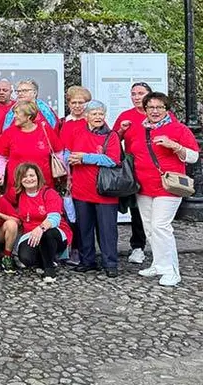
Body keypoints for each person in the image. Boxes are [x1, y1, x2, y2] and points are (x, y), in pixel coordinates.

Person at [127, 91, 199, 287]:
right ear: (145, 109)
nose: (155, 111)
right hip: (144, 187)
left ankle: (171, 270)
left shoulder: (178, 129)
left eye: (160, 107)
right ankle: (159, 264)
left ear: (166, 109)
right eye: (151, 107)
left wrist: (174, 146)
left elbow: (193, 156)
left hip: (168, 186)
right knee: (150, 228)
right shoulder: (138, 130)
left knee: (161, 226)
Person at [64, 100, 122, 277]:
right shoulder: (77, 132)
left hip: (104, 192)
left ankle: (110, 263)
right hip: (81, 189)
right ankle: (87, 260)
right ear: (87, 116)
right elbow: (67, 152)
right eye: (94, 114)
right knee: (83, 228)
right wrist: (70, 159)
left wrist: (85, 158)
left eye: (101, 114)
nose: (98, 117)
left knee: (107, 230)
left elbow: (113, 160)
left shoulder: (111, 136)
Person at [112, 81, 153, 265]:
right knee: (135, 208)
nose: (137, 97)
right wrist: (121, 129)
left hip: (154, 169)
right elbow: (112, 140)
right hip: (132, 169)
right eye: (134, 94)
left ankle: (153, 245)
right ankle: (137, 246)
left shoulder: (159, 114)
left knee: (152, 210)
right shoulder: (126, 115)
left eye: (140, 93)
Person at [13, 162, 72, 283]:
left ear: (38, 176)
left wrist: (41, 228)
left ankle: (49, 269)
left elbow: (54, 218)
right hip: (30, 234)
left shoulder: (49, 193)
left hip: (53, 231)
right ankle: (43, 260)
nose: (29, 179)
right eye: (24, 176)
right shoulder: (18, 194)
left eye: (31, 175)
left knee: (47, 234)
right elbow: (2, 203)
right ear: (20, 179)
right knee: (26, 258)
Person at [0, 101, 64, 205]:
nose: (15, 116)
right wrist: (1, 174)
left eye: (18, 113)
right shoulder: (9, 132)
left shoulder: (45, 129)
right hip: (17, 184)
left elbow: (58, 153)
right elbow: (2, 157)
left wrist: (63, 174)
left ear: (28, 116)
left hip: (42, 183)